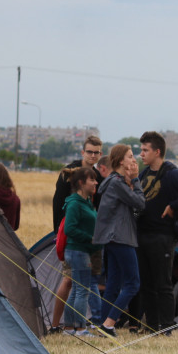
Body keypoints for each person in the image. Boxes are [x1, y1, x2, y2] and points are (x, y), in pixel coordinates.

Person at [136, 131, 178, 334]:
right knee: (146, 284)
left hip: (163, 236)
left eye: (145, 150)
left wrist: (174, 205)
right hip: (143, 235)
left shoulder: (172, 174)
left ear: (157, 152)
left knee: (163, 284)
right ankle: (151, 326)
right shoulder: (144, 174)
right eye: (141, 150)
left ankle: (166, 327)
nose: (142, 154)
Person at [47, 136, 106, 333]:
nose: (93, 155)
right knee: (69, 281)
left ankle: (70, 325)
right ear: (82, 152)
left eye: (97, 152)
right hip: (71, 237)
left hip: (85, 240)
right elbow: (58, 204)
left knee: (76, 281)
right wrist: (59, 234)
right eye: (90, 151)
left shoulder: (96, 175)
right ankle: (57, 324)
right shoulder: (69, 174)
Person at [92, 144, 145, 338]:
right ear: (121, 161)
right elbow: (140, 203)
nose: (134, 160)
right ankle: (108, 324)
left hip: (111, 239)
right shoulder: (117, 184)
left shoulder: (112, 182)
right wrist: (137, 179)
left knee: (113, 284)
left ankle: (103, 327)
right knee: (132, 283)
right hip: (121, 238)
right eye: (130, 157)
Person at [61, 167, 100, 336]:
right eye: (92, 180)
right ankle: (81, 328)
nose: (96, 183)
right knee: (83, 290)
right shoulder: (75, 203)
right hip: (78, 251)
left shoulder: (86, 202)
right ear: (81, 183)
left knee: (77, 289)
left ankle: (69, 328)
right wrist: (89, 239)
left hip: (80, 251)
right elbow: (70, 228)